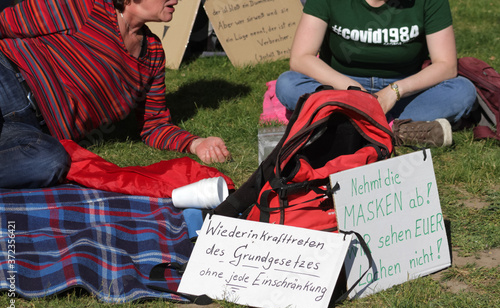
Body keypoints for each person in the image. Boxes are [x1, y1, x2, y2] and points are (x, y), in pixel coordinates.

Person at [0, 0, 231, 189]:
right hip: (9, 79)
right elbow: (5, 23)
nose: (176, 0)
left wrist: (196, 143)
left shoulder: (153, 55)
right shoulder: (87, 7)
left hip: (33, 131)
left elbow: (155, 126)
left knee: (50, 162)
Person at [275, 0, 477, 147]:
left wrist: (394, 91)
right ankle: (397, 130)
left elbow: (446, 65)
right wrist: (353, 91)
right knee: (288, 83)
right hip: (341, 88)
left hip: (404, 90)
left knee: (462, 92)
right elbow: (301, 58)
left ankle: (345, 125)